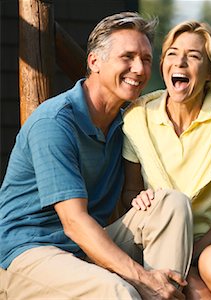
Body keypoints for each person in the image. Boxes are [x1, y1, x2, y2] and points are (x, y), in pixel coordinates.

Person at [0, 12, 193, 299]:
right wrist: (141, 277)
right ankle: (152, 288)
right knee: (117, 291)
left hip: (85, 249)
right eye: (127, 57)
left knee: (172, 204)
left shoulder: (130, 123)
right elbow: (74, 222)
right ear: (94, 62)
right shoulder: (53, 123)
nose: (139, 69)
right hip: (27, 254)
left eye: (146, 59)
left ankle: (165, 292)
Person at [120, 20, 211, 300]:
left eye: (194, 56)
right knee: (194, 290)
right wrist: (138, 201)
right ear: (163, 64)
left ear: (210, 72)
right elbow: (130, 192)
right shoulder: (138, 117)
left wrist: (196, 251)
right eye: (172, 53)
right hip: (162, 242)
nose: (180, 62)